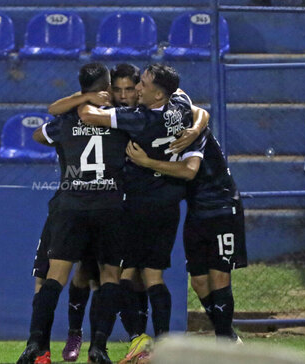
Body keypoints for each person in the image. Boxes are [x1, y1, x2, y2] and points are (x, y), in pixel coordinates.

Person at [78, 64, 209, 362]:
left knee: (121, 273)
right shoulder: (180, 106)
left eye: (143, 85)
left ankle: (139, 338)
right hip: (168, 204)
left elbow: (87, 115)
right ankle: (163, 346)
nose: (137, 88)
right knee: (152, 275)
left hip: (136, 205)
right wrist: (194, 130)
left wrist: (93, 96)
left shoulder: (139, 118)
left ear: (158, 93)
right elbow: (200, 110)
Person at [18, 63, 130, 364]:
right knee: (108, 276)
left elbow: (40, 136)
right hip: (108, 204)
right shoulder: (119, 118)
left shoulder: (66, 119)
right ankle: (99, 347)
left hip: (71, 204)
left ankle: (35, 345)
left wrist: (79, 102)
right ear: (106, 85)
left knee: (55, 277)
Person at [43, 63, 146, 362]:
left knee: (109, 276)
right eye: (118, 89)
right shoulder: (87, 111)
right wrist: (85, 100)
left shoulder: (122, 116)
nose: (122, 94)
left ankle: (108, 343)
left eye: (128, 90)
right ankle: (77, 334)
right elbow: (49, 119)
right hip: (87, 206)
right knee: (82, 274)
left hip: (110, 205)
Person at [126, 125, 247, 344]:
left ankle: (224, 341)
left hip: (221, 207)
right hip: (196, 211)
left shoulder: (190, 128)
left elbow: (189, 170)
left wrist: (147, 162)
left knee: (219, 276)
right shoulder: (161, 127)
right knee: (199, 282)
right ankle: (227, 334)